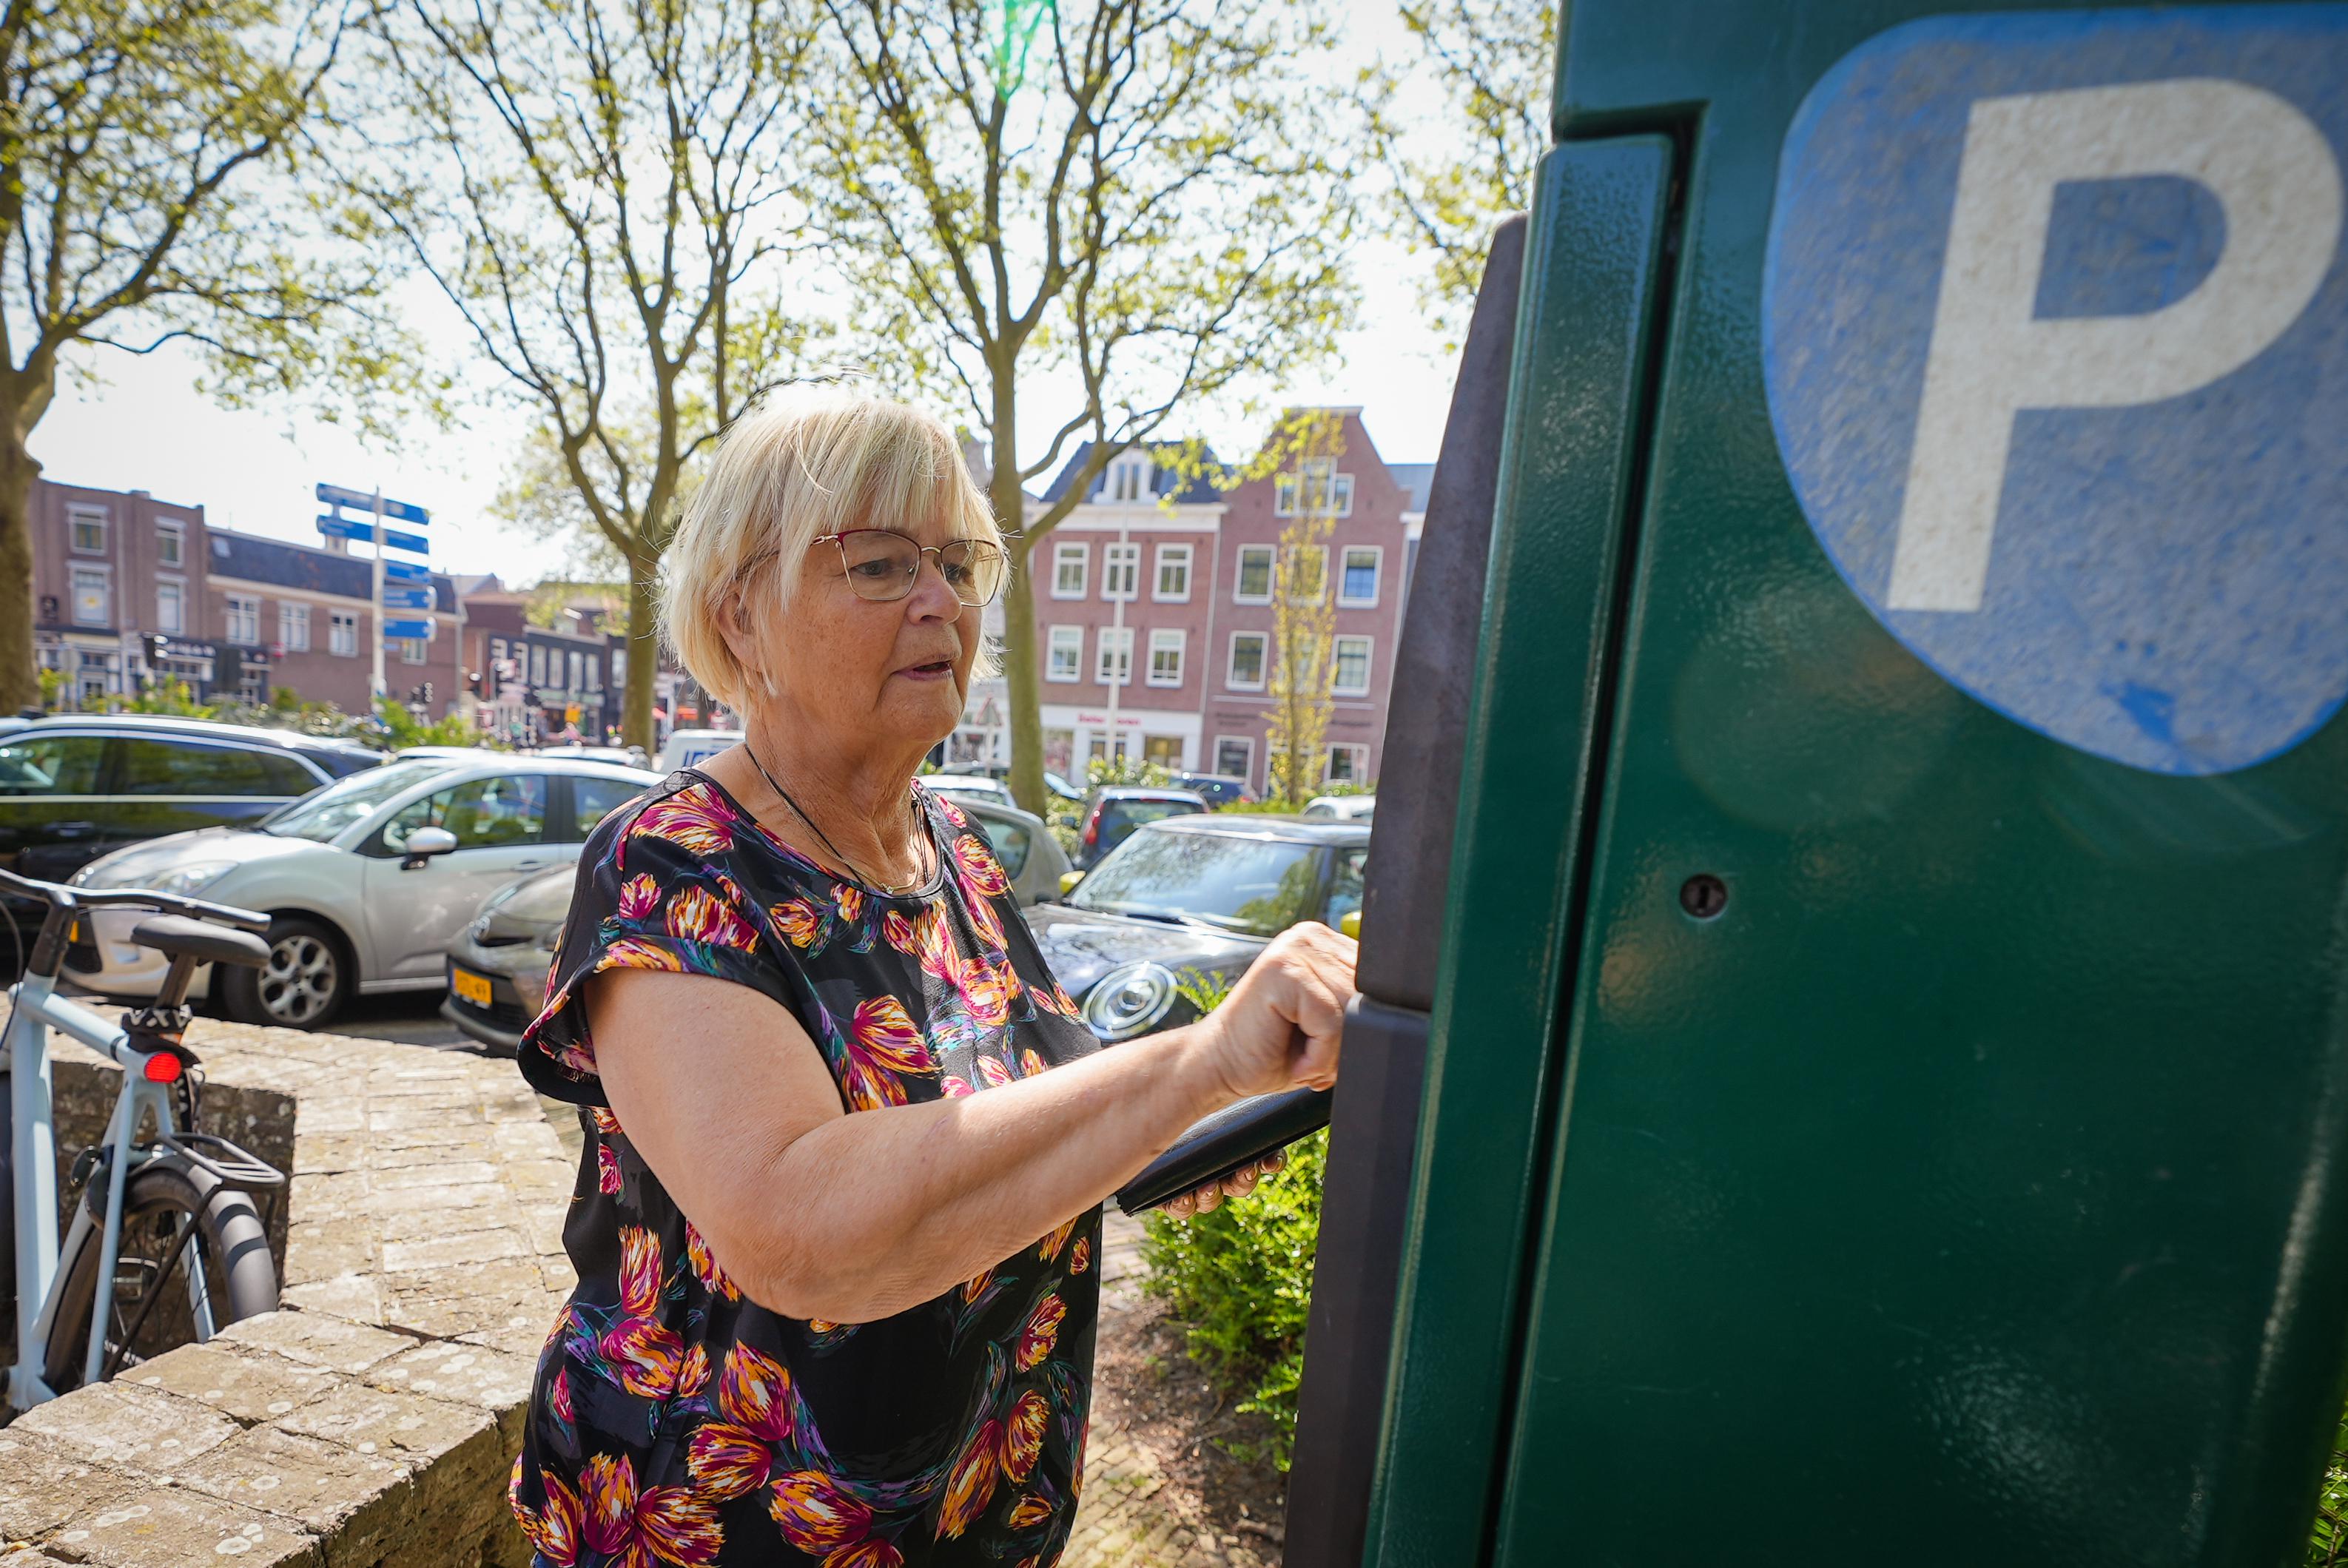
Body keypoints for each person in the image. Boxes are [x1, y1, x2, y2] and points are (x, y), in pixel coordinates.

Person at [507, 386, 1357, 1567]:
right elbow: (800, 1235)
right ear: (740, 614)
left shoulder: (953, 849)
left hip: (971, 1520)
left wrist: (1165, 1124)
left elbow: (1008, 1120)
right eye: (879, 564)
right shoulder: (673, 864)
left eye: (958, 564)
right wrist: (1193, 1066)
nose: (941, 601)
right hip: (719, 1535)